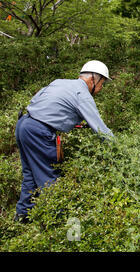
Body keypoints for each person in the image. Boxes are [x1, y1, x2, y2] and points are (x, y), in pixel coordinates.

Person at [14, 60, 114, 223]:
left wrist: (65, 121)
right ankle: (58, 221)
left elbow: (41, 102)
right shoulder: (83, 95)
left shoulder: (59, 82)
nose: (101, 88)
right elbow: (101, 129)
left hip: (24, 125)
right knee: (49, 177)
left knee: (30, 174)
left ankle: (22, 216)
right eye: (102, 83)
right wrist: (120, 148)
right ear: (92, 80)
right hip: (39, 132)